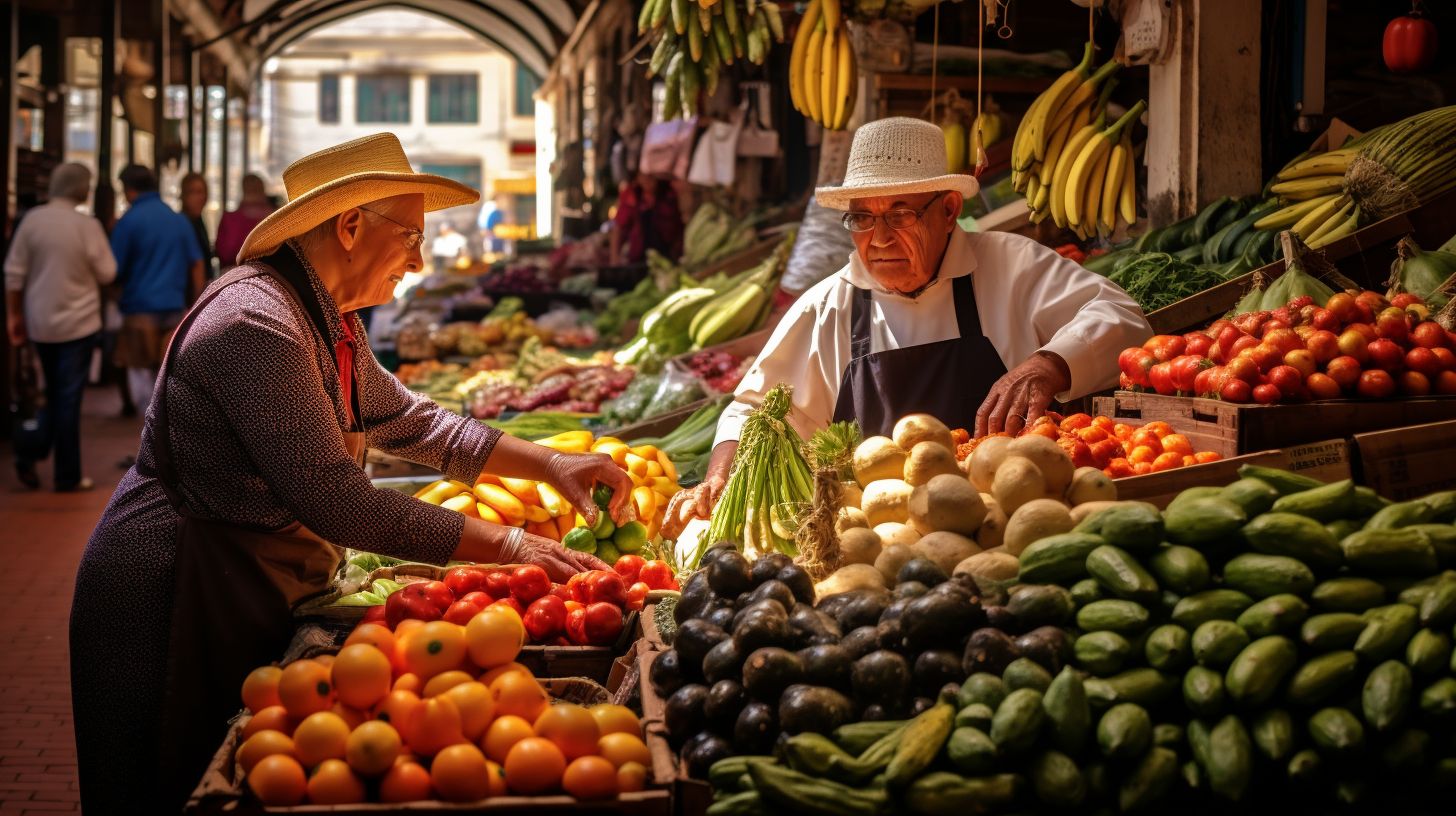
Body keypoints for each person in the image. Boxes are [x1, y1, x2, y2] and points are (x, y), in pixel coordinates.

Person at [72, 133, 637, 813]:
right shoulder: (256, 325)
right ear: (349, 227)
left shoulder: (327, 319)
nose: (418, 260)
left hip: (238, 571)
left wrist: (550, 463)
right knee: (165, 778)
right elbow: (341, 504)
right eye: (411, 237)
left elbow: (415, 423)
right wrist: (510, 547)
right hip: (168, 587)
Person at [663, 118, 1151, 537]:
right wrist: (718, 478)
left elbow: (1123, 319)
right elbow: (752, 410)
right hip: (881, 545)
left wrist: (1050, 364)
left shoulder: (1012, 266)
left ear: (948, 210)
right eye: (862, 218)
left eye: (899, 214)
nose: (878, 239)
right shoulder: (830, 306)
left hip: (1014, 525)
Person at [4, 163, 117, 491]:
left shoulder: (31, 222)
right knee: (67, 398)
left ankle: (31, 449)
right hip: (79, 324)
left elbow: (14, 274)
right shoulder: (86, 225)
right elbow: (108, 272)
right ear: (81, 188)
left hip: (40, 322)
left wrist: (14, 316)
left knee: (53, 394)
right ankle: (66, 473)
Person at [110, 164, 205, 417]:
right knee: (167, 382)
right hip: (174, 309)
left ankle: (147, 445)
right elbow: (197, 264)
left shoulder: (129, 221)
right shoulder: (178, 220)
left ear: (129, 190)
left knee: (142, 385)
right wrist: (195, 302)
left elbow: (114, 269)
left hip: (139, 310)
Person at [610, 174, 683, 265]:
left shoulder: (670, 195)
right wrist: (615, 258)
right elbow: (618, 228)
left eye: (651, 176)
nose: (648, 179)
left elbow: (679, 228)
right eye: (643, 175)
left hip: (667, 258)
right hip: (637, 261)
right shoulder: (631, 195)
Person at [215, 173, 277, 270]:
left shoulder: (229, 219)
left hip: (233, 275)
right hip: (267, 275)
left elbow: (225, 254)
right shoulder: (274, 218)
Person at [178, 171, 215, 277]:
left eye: (203, 192)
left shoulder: (199, 221)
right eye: (194, 192)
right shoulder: (183, 224)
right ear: (184, 195)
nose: (201, 197)